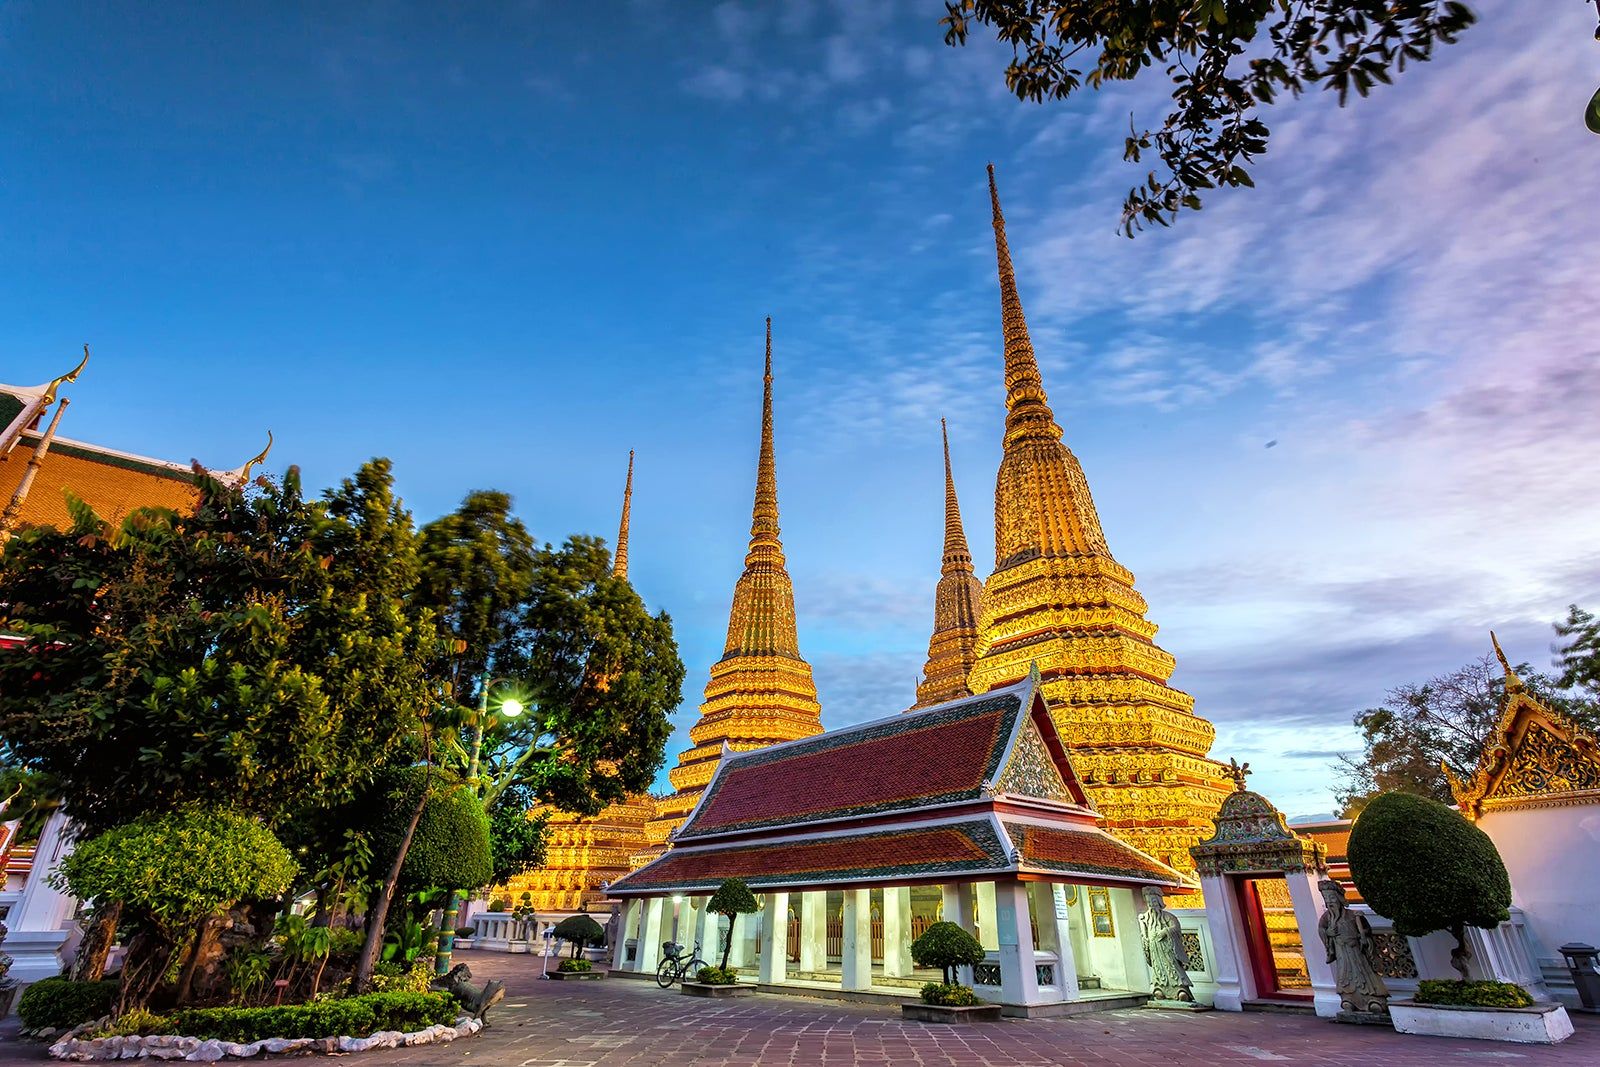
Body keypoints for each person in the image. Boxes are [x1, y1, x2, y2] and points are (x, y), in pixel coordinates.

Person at [1317, 878, 1390, 1015]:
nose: (1330, 902)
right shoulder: (1327, 918)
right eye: (1327, 899)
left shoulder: (1352, 915)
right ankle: (1348, 999)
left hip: (1356, 950)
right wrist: (1328, 933)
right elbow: (1321, 929)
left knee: (1364, 973)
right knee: (1345, 976)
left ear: (1339, 898)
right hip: (1341, 951)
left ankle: (1374, 999)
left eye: (1332, 898)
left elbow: (1366, 930)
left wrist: (1363, 938)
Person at [1139, 886, 1193, 1001]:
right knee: (1158, 969)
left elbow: (1176, 927)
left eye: (1153, 902)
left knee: (1172, 967)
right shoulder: (1146, 918)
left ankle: (1181, 990)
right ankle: (1160, 989)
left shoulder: (1168, 916)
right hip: (1155, 949)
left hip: (1166, 948)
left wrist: (1165, 931)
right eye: (1149, 902)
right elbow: (1144, 934)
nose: (1151, 905)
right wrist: (1142, 924)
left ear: (1159, 902)